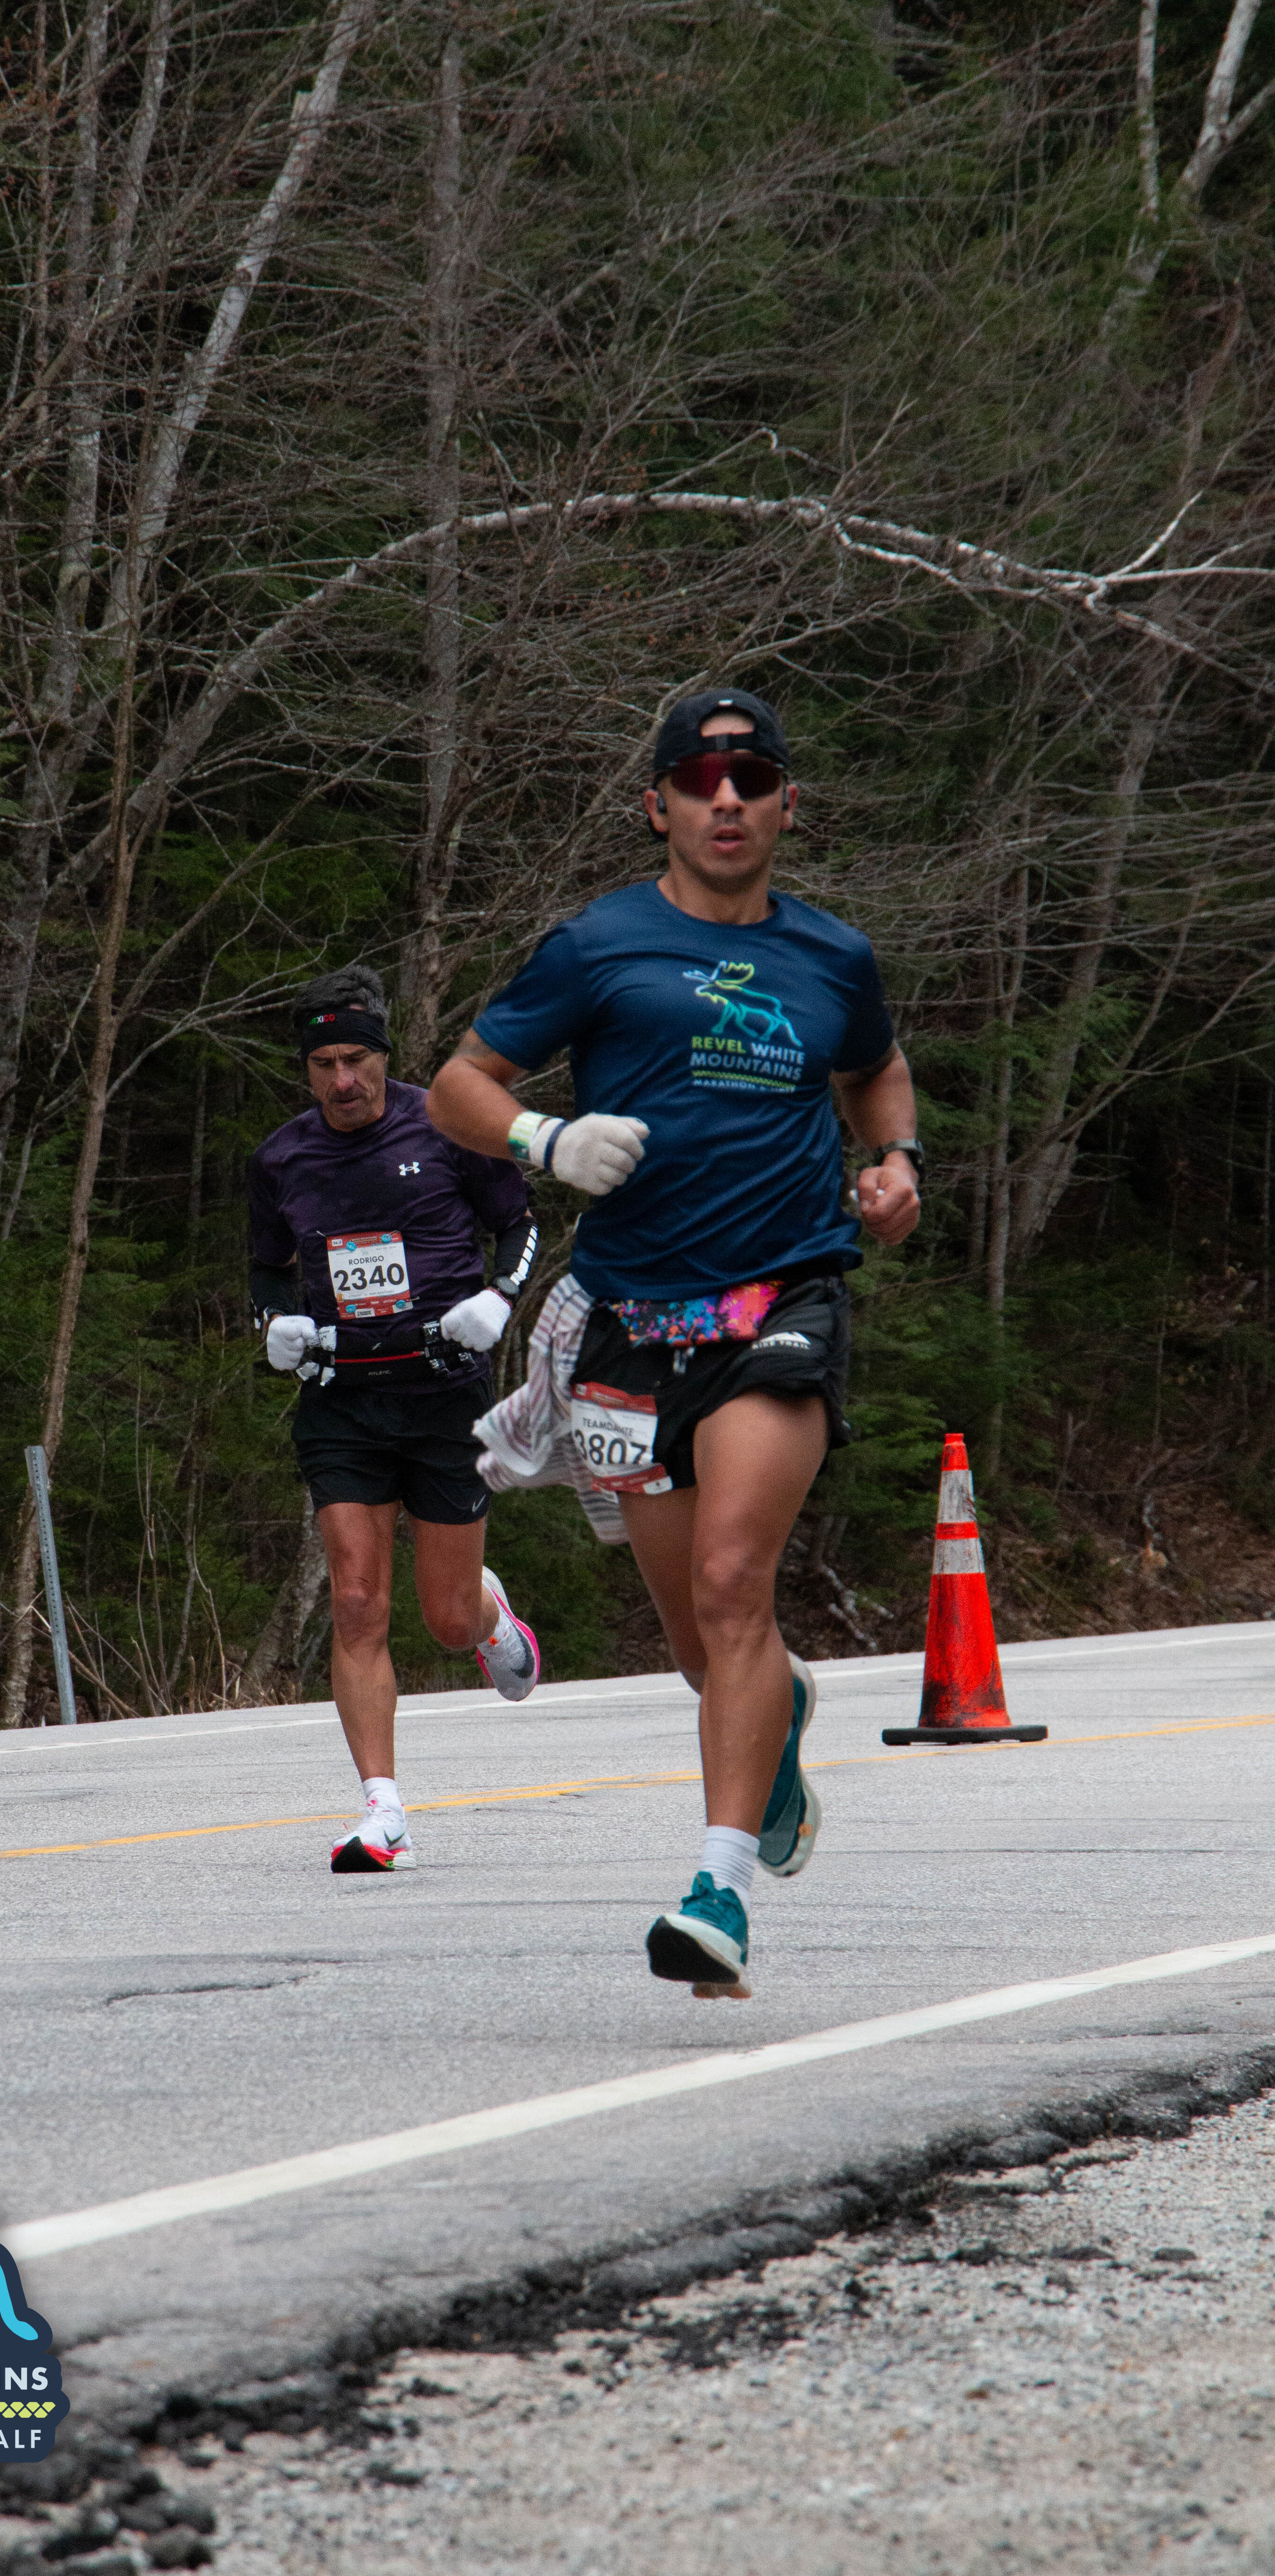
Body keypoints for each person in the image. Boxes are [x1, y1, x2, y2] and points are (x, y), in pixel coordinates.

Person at [427, 688, 921, 1996]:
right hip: (633, 1326)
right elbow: (456, 1088)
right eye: (700, 782)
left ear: (787, 804)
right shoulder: (598, 946)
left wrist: (897, 1163)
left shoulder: (835, 957)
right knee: (703, 1644)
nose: (727, 801)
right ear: (659, 806)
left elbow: (875, 1070)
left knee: (731, 1581)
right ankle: (779, 1713)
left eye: (751, 780)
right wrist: (546, 1140)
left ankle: (719, 1893)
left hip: (779, 1305)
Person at [248, 965, 543, 1874]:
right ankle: (385, 1813)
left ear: (384, 1054)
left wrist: (499, 1298)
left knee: (446, 1620)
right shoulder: (282, 1158)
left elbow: (521, 1226)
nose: (344, 1081)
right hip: (343, 1398)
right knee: (355, 1600)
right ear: (306, 1070)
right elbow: (264, 1268)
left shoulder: (448, 1126)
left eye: (358, 1059)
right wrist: (275, 1324)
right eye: (325, 1064)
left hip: (443, 1392)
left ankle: (492, 1618)